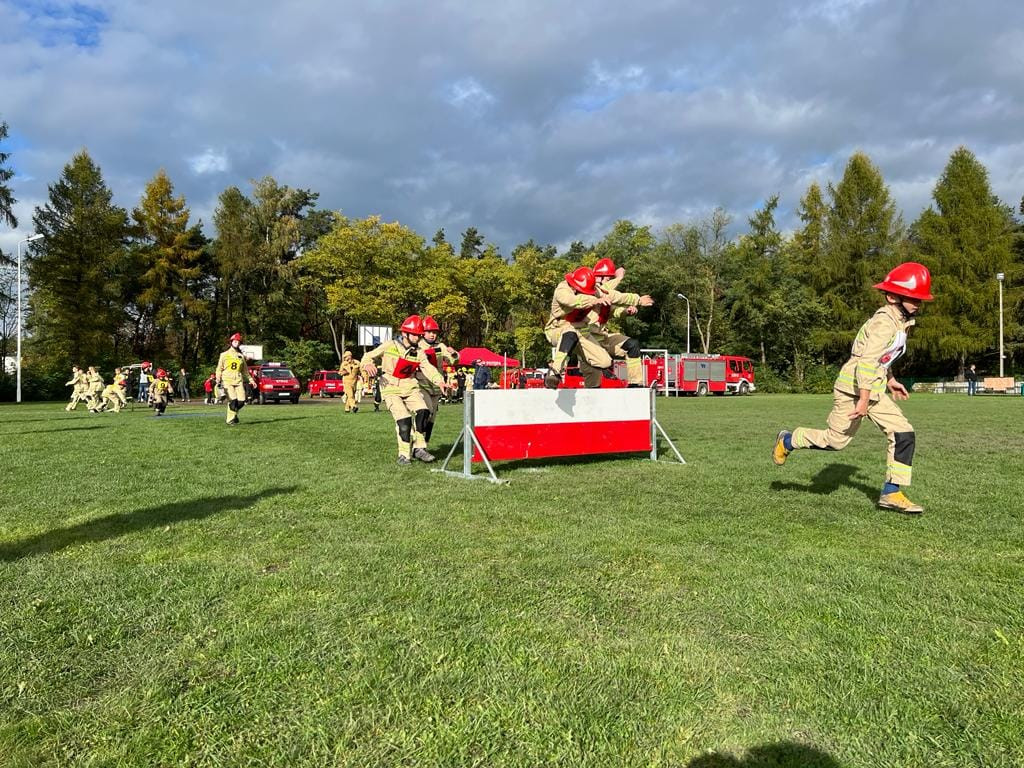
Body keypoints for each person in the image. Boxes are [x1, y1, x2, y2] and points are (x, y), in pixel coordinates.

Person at [773, 262, 934, 514]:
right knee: (835, 442)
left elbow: (882, 357)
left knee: (904, 434)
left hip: (874, 390)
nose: (919, 304)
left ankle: (892, 493)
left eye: (921, 299)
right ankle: (789, 439)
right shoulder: (884, 323)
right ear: (893, 296)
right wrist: (863, 399)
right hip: (853, 391)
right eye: (914, 298)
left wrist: (891, 380)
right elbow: (866, 363)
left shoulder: (900, 321)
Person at [543, 266, 650, 389]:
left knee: (605, 362)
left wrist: (638, 300)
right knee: (570, 332)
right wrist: (595, 300)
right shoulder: (562, 289)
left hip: (585, 334)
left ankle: (635, 384)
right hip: (556, 330)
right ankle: (555, 371)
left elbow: (615, 296)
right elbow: (572, 301)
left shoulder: (596, 291)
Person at [361, 315, 448, 465]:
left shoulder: (419, 352)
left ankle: (419, 448)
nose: (417, 337)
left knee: (424, 411)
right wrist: (367, 364)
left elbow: (427, 368)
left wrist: (439, 381)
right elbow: (368, 356)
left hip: (410, 386)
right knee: (404, 420)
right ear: (404, 334)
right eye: (415, 334)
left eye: (419, 335)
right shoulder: (390, 345)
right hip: (390, 388)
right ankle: (404, 455)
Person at [586, 257, 654, 387]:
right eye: (608, 278)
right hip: (590, 341)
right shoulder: (593, 292)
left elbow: (614, 311)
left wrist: (626, 311)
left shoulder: (604, 296)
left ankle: (635, 384)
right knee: (596, 378)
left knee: (632, 345)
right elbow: (610, 291)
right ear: (598, 278)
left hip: (604, 338)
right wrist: (619, 278)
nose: (610, 281)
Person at [417, 315, 457, 447]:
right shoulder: (418, 345)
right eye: (429, 332)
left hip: (437, 387)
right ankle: (419, 442)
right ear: (423, 332)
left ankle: (425, 443)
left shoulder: (441, 346)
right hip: (423, 384)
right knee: (426, 410)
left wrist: (454, 354)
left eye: (434, 332)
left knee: (432, 416)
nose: (432, 335)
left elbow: (453, 360)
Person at [216, 332, 256, 425]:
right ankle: (230, 419)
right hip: (227, 381)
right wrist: (218, 378)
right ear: (231, 342)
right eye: (234, 341)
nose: (236, 342)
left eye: (238, 341)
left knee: (241, 402)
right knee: (233, 401)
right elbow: (219, 368)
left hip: (238, 381)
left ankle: (233, 415)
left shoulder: (241, 356)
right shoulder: (224, 355)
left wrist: (251, 380)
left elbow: (245, 371)